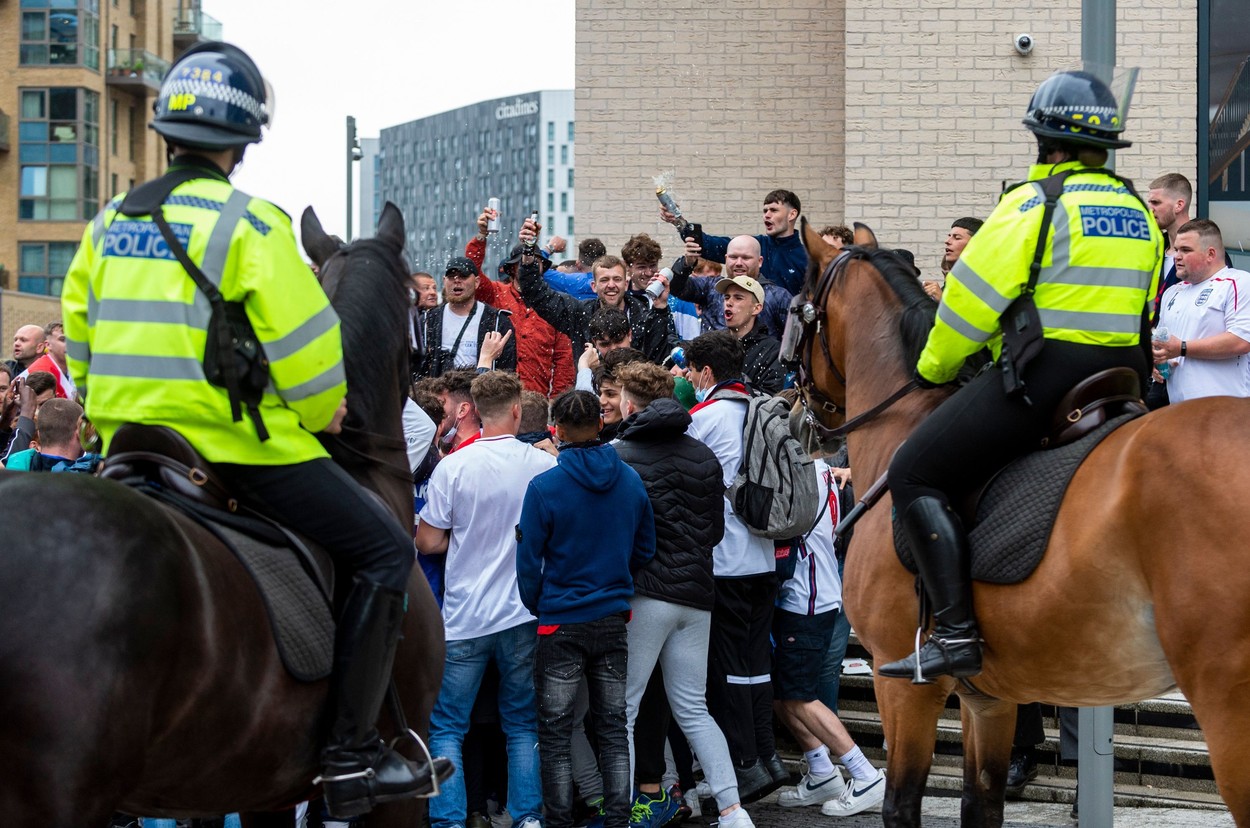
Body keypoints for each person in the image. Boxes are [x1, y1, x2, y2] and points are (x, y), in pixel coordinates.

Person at [60, 42, 446, 817]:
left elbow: (80, 341)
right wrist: (317, 413)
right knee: (380, 548)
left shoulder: (108, 223)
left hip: (132, 450)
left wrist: (115, 421)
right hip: (236, 451)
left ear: (167, 129)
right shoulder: (250, 223)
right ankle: (350, 755)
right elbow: (309, 360)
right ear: (242, 142)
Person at [879, 70, 1163, 682]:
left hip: (1049, 374)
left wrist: (935, 367)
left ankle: (954, 633)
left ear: (1045, 143)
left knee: (914, 470)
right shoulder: (1139, 209)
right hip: (1126, 375)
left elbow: (969, 305)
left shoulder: (1034, 203)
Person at [611, 362, 757, 828]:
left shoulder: (620, 452)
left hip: (646, 592)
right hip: (697, 592)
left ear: (630, 403)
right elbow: (714, 530)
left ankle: (625, 810)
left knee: (625, 708)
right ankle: (733, 811)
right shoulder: (703, 454)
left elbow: (619, 535)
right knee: (693, 708)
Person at [415, 371, 557, 828]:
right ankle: (528, 818)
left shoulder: (453, 467)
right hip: (522, 612)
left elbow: (429, 542)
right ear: (517, 410)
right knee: (521, 723)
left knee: (446, 727)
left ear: (473, 411)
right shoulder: (542, 465)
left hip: (464, 617)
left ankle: (450, 821)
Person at [516, 389, 656, 828]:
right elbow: (646, 547)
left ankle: (558, 821)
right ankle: (618, 819)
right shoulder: (630, 480)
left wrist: (541, 604)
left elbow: (527, 562)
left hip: (559, 619)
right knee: (614, 728)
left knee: (556, 733)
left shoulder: (544, 486)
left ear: (556, 430)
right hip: (612, 616)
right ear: (601, 425)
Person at [684, 331, 784, 801]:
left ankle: (744, 764)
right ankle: (767, 755)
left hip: (723, 561)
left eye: (689, 370)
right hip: (764, 555)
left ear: (705, 373)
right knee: (755, 662)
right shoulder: (761, 409)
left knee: (725, 668)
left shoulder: (703, 417)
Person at [773, 458, 885, 817]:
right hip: (813, 592)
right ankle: (822, 771)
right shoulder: (822, 469)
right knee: (779, 691)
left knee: (800, 697)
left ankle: (865, 774)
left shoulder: (800, 472)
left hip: (805, 598)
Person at [464, 210, 577, 397]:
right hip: (497, 395)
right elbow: (470, 270)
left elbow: (564, 357)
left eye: (537, 261)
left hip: (536, 398)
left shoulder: (556, 303)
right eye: (525, 261)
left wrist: (557, 399)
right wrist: (481, 236)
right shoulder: (495, 293)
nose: (531, 264)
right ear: (512, 268)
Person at [1152, 219, 1250, 403]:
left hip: (1227, 412)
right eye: (1177, 249)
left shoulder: (1239, 282)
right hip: (1181, 412)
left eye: (1186, 250)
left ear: (1210, 254)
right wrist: (1157, 359)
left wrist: (1181, 348)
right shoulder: (1173, 292)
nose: (1177, 256)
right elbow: (1164, 342)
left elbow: (1241, 340)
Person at [660, 189, 808, 295]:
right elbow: (708, 245)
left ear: (792, 214)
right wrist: (679, 222)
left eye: (773, 210)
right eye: (765, 211)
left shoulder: (806, 258)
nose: (766, 216)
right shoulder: (754, 245)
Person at [667, 235, 792, 344]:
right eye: (733, 257)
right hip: (710, 366)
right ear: (726, 259)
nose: (738, 263)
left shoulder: (778, 296)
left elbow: (795, 338)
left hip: (758, 367)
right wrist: (686, 264)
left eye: (746, 258)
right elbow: (676, 287)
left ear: (759, 261)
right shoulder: (711, 286)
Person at [416, 256, 516, 379]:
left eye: (463, 276)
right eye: (451, 277)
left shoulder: (497, 321)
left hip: (480, 395)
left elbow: (507, 375)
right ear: (444, 281)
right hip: (438, 395)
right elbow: (416, 370)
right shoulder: (427, 320)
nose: (457, 281)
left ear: (477, 282)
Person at [927, 217, 983, 300]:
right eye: (949, 236)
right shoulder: (950, 284)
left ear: (974, 244)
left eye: (957, 238)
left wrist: (942, 301)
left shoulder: (983, 284)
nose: (947, 241)